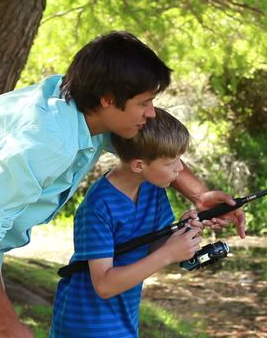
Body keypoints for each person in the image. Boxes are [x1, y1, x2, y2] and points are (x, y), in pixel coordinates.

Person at [0, 31, 245, 338]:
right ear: (108, 99)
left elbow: (155, 152)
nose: (151, 114)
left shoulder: (86, 109)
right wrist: (9, 323)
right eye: (144, 103)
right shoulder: (42, 143)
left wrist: (200, 194)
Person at [51, 107, 203, 337]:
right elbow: (104, 285)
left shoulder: (153, 190)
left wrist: (180, 234)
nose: (180, 169)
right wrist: (169, 254)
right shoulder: (98, 206)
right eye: (171, 162)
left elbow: (153, 248)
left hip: (124, 319)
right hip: (86, 324)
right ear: (139, 165)